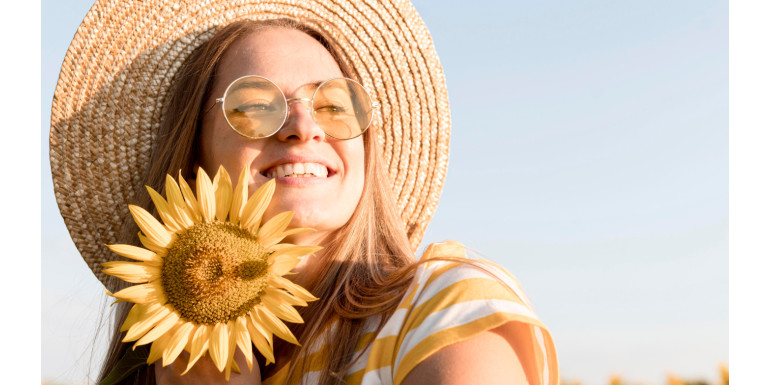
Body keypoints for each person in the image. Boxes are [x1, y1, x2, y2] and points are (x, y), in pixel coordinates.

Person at [49, 1, 558, 385]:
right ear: (194, 154)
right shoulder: (163, 362)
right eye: (254, 103)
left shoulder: (442, 307)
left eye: (335, 103)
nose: (303, 126)